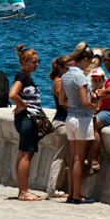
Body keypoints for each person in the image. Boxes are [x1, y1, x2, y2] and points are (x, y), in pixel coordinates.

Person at [60, 41, 97, 204]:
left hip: (70, 119)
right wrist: (94, 104)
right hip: (82, 119)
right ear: (86, 59)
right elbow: (85, 102)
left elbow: (62, 100)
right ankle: (77, 194)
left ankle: (70, 194)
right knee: (78, 159)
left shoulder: (66, 75)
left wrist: (73, 105)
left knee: (72, 157)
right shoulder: (80, 76)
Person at [8, 44, 42, 201]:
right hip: (27, 119)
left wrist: (23, 105)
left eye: (38, 61)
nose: (37, 64)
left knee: (23, 154)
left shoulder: (27, 77)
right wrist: (23, 106)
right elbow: (13, 94)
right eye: (34, 62)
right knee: (26, 155)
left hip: (26, 119)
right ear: (25, 62)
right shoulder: (21, 76)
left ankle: (22, 190)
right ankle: (24, 191)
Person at [45, 55, 71, 199]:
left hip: (60, 121)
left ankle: (59, 188)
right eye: (67, 68)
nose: (69, 70)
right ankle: (52, 189)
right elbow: (64, 103)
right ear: (60, 68)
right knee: (60, 157)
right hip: (62, 122)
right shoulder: (60, 83)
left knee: (65, 157)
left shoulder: (57, 81)